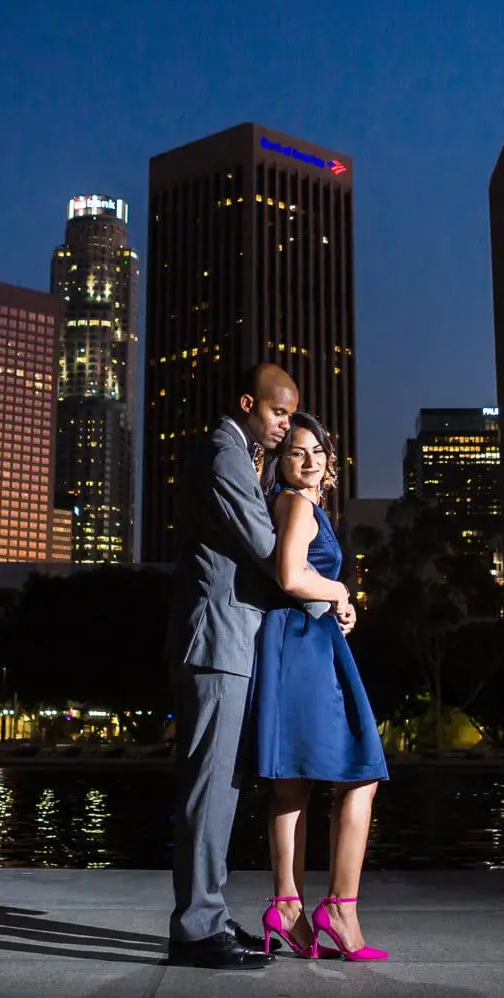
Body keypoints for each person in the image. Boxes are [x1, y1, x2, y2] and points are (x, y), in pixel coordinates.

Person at [164, 363, 327, 969]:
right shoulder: (224, 455)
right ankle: (196, 927)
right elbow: (266, 545)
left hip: (231, 642)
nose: (286, 426)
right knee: (209, 789)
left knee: (222, 787)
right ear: (247, 404)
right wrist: (329, 596)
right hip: (216, 644)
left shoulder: (242, 456)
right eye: (279, 413)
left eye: (291, 415)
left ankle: (206, 911)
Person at [246, 411, 389, 962]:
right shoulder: (298, 504)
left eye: (318, 452)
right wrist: (341, 591)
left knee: (293, 784)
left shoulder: (299, 505)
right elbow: (290, 574)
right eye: (296, 452)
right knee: (361, 773)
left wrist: (335, 603)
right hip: (304, 649)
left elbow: (296, 581)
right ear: (279, 463)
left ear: (331, 461)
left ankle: (287, 906)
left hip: (298, 640)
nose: (309, 461)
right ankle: (340, 909)